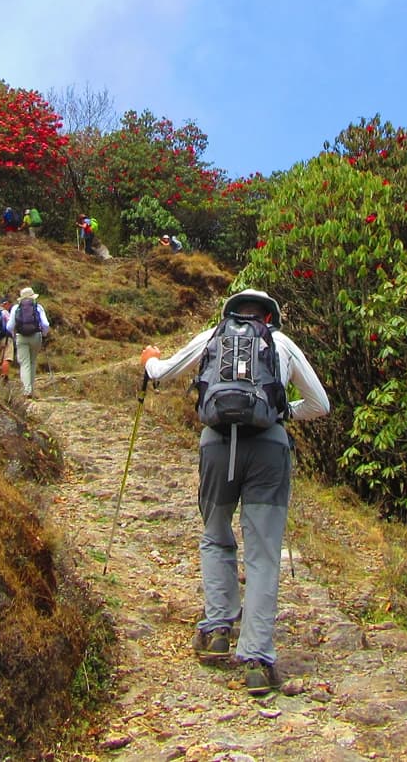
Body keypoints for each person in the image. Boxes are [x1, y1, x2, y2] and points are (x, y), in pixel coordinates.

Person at [139, 289, 330, 696]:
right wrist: (280, 411)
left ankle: (218, 629)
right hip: (269, 450)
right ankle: (257, 660)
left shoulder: (211, 337)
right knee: (262, 553)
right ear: (269, 317)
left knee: (215, 534)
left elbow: (162, 373)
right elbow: (321, 404)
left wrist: (148, 359)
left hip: (217, 446)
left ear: (231, 313)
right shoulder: (281, 344)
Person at [6, 287, 50, 398]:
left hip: (21, 337)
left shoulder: (16, 308)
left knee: (24, 363)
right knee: (32, 362)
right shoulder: (38, 307)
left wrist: (14, 335)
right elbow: (46, 325)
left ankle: (27, 391)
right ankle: (32, 388)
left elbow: (9, 326)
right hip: (36, 336)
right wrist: (43, 334)